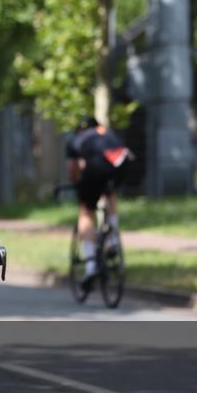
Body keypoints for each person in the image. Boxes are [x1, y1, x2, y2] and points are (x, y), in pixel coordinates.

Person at [65, 117, 133, 290]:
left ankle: (91, 267)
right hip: (122, 162)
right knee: (110, 194)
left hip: (95, 167)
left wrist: (77, 185)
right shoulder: (107, 133)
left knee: (86, 211)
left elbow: (73, 170)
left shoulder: (76, 139)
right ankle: (113, 238)